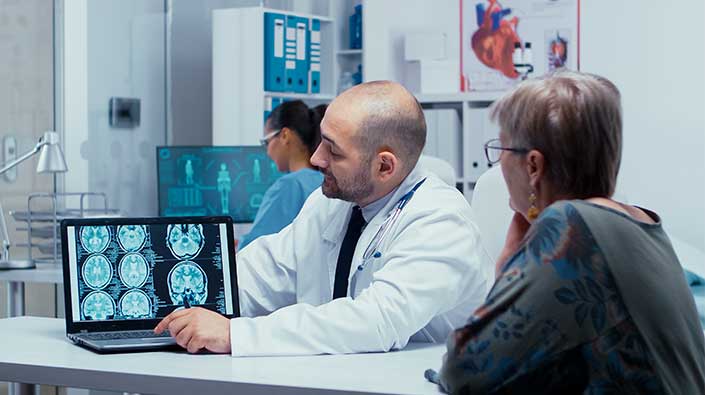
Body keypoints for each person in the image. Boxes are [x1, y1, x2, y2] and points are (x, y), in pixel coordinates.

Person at [154, 81, 493, 356]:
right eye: (320, 143)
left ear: (385, 166)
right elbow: (266, 270)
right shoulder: (331, 203)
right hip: (338, 378)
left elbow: (375, 321)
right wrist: (176, 299)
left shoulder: (441, 221)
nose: (316, 159)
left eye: (333, 150)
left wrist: (234, 334)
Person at [430, 71, 705, 393]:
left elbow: (466, 371)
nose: (499, 164)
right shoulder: (638, 222)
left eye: (501, 149)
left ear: (533, 166)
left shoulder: (573, 225)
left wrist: (506, 269)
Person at [239, 100, 326, 249]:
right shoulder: (326, 181)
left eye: (267, 142)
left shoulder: (289, 186)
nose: (267, 151)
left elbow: (252, 250)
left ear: (285, 135)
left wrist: (238, 244)